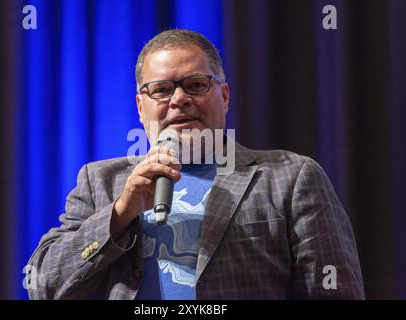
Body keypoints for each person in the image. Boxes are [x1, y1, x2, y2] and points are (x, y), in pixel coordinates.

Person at [26, 29, 364, 299]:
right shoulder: (100, 181)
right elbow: (43, 285)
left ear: (225, 96)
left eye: (196, 85)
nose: (179, 99)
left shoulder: (289, 177)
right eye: (161, 90)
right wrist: (119, 214)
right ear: (141, 107)